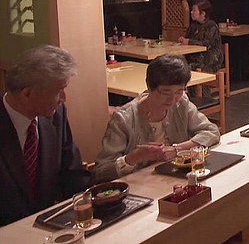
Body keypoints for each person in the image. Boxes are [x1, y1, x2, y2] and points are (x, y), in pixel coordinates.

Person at [0, 46, 91, 226]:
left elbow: (73, 176)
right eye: (58, 91)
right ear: (27, 93)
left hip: (51, 228)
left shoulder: (56, 115)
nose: (63, 98)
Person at [93, 54, 220, 183]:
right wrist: (134, 157)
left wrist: (177, 150)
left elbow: (212, 131)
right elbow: (101, 172)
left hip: (175, 179)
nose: (172, 99)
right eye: (165, 92)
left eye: (179, 91)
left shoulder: (181, 104)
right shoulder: (124, 119)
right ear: (149, 86)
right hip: (140, 185)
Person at [179, 0, 224, 73]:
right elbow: (187, 39)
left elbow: (206, 44)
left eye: (194, 10)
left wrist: (189, 41)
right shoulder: (193, 26)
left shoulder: (211, 26)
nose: (191, 12)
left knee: (185, 67)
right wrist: (183, 40)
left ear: (203, 13)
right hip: (195, 56)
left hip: (209, 59)